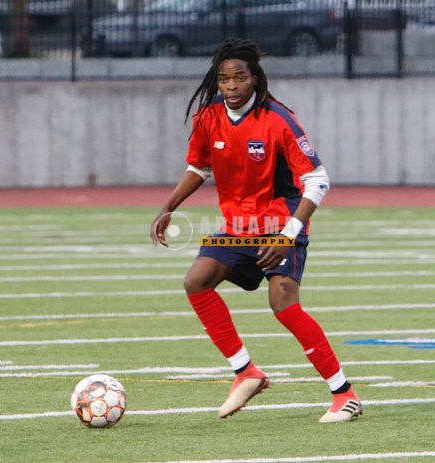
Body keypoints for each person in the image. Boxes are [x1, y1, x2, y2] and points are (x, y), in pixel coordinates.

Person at [150, 37, 362, 423]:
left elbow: (318, 179)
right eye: (224, 79)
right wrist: (169, 207)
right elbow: (199, 167)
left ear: (255, 78)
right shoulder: (208, 117)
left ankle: (344, 394)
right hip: (237, 225)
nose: (231, 86)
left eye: (240, 78)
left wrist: (287, 236)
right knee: (197, 281)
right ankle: (246, 372)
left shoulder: (278, 119)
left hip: (280, 221)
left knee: (283, 301)